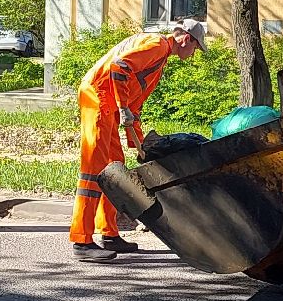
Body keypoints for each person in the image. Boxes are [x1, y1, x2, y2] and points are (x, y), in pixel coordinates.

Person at [70, 18, 205, 262]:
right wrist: (122, 109)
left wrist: (140, 145)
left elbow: (134, 105)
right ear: (186, 39)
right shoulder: (156, 45)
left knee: (114, 168)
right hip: (99, 96)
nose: (194, 53)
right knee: (95, 170)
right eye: (196, 47)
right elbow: (119, 69)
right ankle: (81, 240)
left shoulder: (160, 57)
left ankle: (109, 234)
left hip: (108, 101)